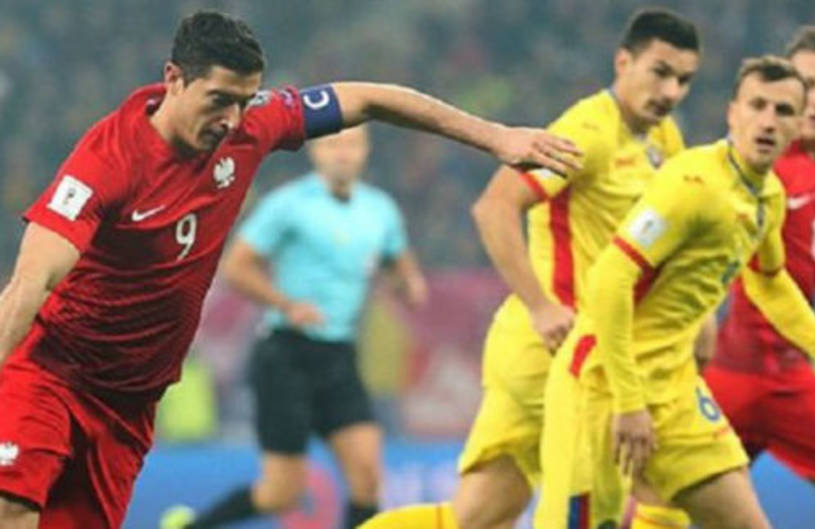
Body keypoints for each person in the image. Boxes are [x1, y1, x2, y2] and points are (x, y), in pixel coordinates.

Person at [0, 10, 580, 529]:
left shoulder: (256, 125)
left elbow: (371, 98)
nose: (232, 119)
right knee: (13, 506)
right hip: (52, 372)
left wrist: (494, 136)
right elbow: (31, 283)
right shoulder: (107, 162)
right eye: (219, 100)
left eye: (244, 100)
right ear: (174, 78)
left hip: (129, 405)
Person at [359, 9, 700, 529]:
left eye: (683, 80)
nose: (670, 91)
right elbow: (494, 207)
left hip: (557, 350)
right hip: (560, 352)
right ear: (623, 62)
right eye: (660, 72)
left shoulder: (664, 138)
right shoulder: (587, 132)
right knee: (622, 502)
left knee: (475, 517)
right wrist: (541, 307)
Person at [538, 55, 815, 529]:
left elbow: (770, 283)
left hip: (675, 388)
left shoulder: (768, 196)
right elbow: (610, 277)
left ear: (799, 124)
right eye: (757, 105)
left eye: (783, 111)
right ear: (732, 113)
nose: (767, 121)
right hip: (602, 382)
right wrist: (629, 400)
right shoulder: (693, 183)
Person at [163, 124, 427, 529]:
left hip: (339, 355)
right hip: (286, 354)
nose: (343, 153)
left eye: (352, 144)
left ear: (365, 151)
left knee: (368, 477)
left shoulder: (380, 210)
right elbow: (237, 267)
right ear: (316, 152)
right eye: (334, 144)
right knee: (281, 493)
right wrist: (286, 304)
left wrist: (408, 283)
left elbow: (399, 261)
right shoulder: (288, 204)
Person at [704, 25, 815, 498]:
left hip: (791, 378)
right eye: (808, 86)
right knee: (662, 504)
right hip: (727, 371)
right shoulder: (757, 165)